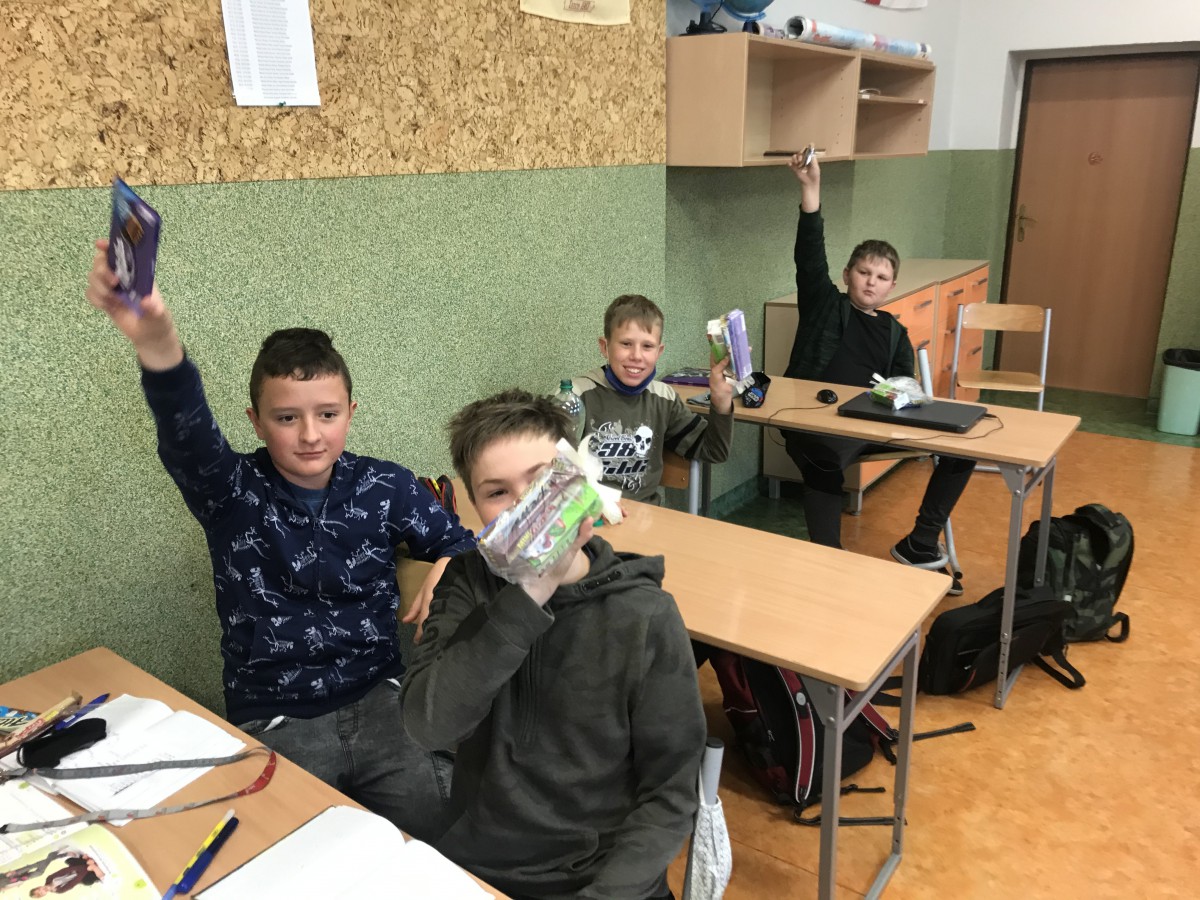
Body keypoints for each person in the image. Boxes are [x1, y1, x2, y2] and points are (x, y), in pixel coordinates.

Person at [84, 240, 476, 840]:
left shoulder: (386, 485)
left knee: (443, 842)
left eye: (327, 414)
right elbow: (186, 432)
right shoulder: (230, 491)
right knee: (284, 854)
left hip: (382, 702)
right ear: (256, 421)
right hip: (275, 719)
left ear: (350, 412)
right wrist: (157, 341)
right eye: (287, 417)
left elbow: (468, 546)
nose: (310, 435)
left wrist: (453, 562)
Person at [402, 389, 706, 900]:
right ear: (476, 507)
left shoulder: (645, 614)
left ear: (577, 478)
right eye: (497, 492)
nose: (525, 505)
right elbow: (428, 725)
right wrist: (529, 594)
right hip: (482, 867)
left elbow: (670, 794)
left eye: (541, 479)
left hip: (600, 880)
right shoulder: (466, 585)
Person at [784, 154, 974, 594]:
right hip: (814, 423)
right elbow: (809, 257)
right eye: (864, 272)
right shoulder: (824, 306)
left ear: (892, 286)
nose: (871, 281)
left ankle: (921, 542)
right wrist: (810, 190)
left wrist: (897, 393)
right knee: (824, 461)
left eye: (881, 276)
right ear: (847, 275)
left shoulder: (894, 333)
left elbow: (907, 387)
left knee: (961, 451)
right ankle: (828, 559)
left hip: (869, 424)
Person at [573, 294, 734, 503]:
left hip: (646, 514)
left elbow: (713, 451)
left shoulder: (664, 398)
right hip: (589, 514)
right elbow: (548, 468)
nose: (636, 356)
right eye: (626, 344)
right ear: (605, 347)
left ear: (659, 351)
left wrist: (721, 399)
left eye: (647, 346)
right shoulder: (577, 396)